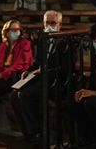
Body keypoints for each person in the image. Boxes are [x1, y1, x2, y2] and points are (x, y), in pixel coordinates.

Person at [15, 11, 65, 143]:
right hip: (40, 76)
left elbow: (64, 68)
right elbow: (38, 61)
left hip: (54, 80)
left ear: (59, 25)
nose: (49, 26)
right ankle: (27, 131)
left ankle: (37, 132)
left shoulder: (64, 42)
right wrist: (28, 70)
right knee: (14, 95)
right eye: (47, 23)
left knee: (25, 95)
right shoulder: (43, 39)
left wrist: (44, 71)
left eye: (53, 23)